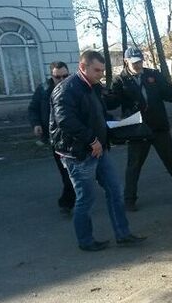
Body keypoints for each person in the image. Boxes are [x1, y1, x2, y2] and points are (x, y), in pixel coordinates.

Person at [50, 50, 146, 251]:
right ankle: (85, 241)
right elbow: (65, 121)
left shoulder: (93, 87)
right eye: (97, 70)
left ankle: (123, 234)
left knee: (115, 191)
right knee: (86, 198)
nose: (101, 74)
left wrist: (115, 123)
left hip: (99, 150)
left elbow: (98, 113)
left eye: (103, 70)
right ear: (82, 67)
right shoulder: (66, 89)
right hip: (78, 154)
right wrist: (92, 139)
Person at [107, 47, 172, 211]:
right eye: (134, 62)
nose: (138, 65)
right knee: (134, 165)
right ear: (126, 62)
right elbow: (113, 101)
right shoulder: (121, 80)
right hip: (137, 130)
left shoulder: (152, 75)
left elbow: (168, 93)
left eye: (140, 61)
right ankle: (129, 200)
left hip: (158, 126)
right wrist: (103, 97)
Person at [28, 61, 75, 215]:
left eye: (65, 76)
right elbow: (33, 108)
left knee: (77, 172)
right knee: (66, 172)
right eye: (57, 77)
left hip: (75, 137)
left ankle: (74, 198)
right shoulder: (43, 89)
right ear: (51, 76)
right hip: (56, 140)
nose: (62, 80)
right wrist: (36, 124)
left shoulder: (74, 88)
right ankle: (67, 203)